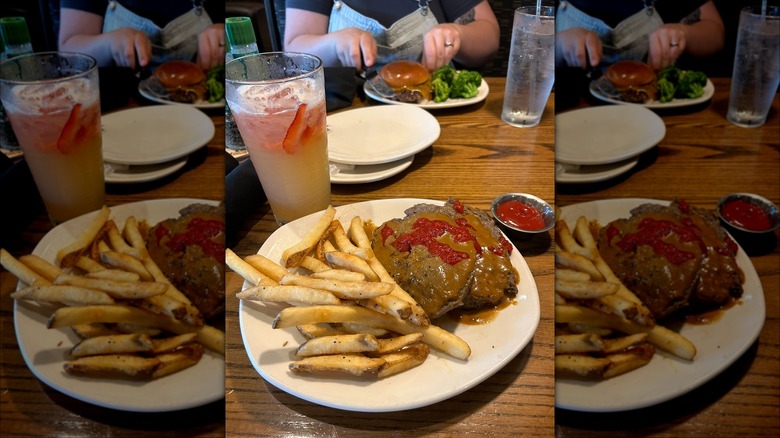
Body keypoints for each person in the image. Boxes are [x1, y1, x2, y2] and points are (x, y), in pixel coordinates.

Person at [284, 0, 500, 71]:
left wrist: (457, 34)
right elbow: (294, 52)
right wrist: (334, 45)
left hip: (436, 111)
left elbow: (489, 39)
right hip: (347, 113)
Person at [555, 0, 725, 71]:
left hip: (656, 112)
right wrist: (557, 44)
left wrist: (683, 33)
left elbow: (715, 31)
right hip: (570, 109)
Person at [59, 1, 225, 71]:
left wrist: (226, 35)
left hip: (203, 113)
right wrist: (109, 44)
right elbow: (68, 51)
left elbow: (233, 35)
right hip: (118, 109)